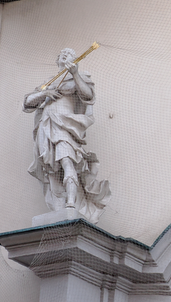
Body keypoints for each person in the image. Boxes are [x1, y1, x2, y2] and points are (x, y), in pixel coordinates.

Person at [24, 48, 110, 222]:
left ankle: (71, 204)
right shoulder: (50, 81)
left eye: (68, 53)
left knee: (67, 161)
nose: (64, 54)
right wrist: (45, 93)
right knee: (51, 168)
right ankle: (60, 206)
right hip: (46, 126)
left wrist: (75, 73)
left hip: (65, 125)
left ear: (75, 59)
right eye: (61, 54)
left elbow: (88, 95)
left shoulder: (79, 76)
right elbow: (27, 103)